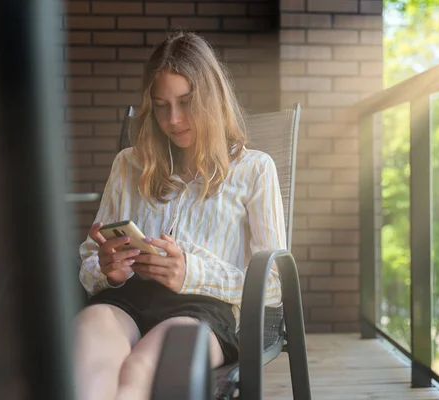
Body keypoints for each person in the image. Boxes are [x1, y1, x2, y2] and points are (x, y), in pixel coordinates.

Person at [73, 31, 285, 400]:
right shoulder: (129, 163)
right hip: (126, 300)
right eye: (161, 105)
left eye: (186, 102)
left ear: (212, 99)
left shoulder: (254, 169)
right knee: (87, 367)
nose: (173, 119)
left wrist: (191, 271)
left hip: (203, 311)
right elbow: (89, 260)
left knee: (140, 373)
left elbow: (273, 283)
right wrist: (109, 270)